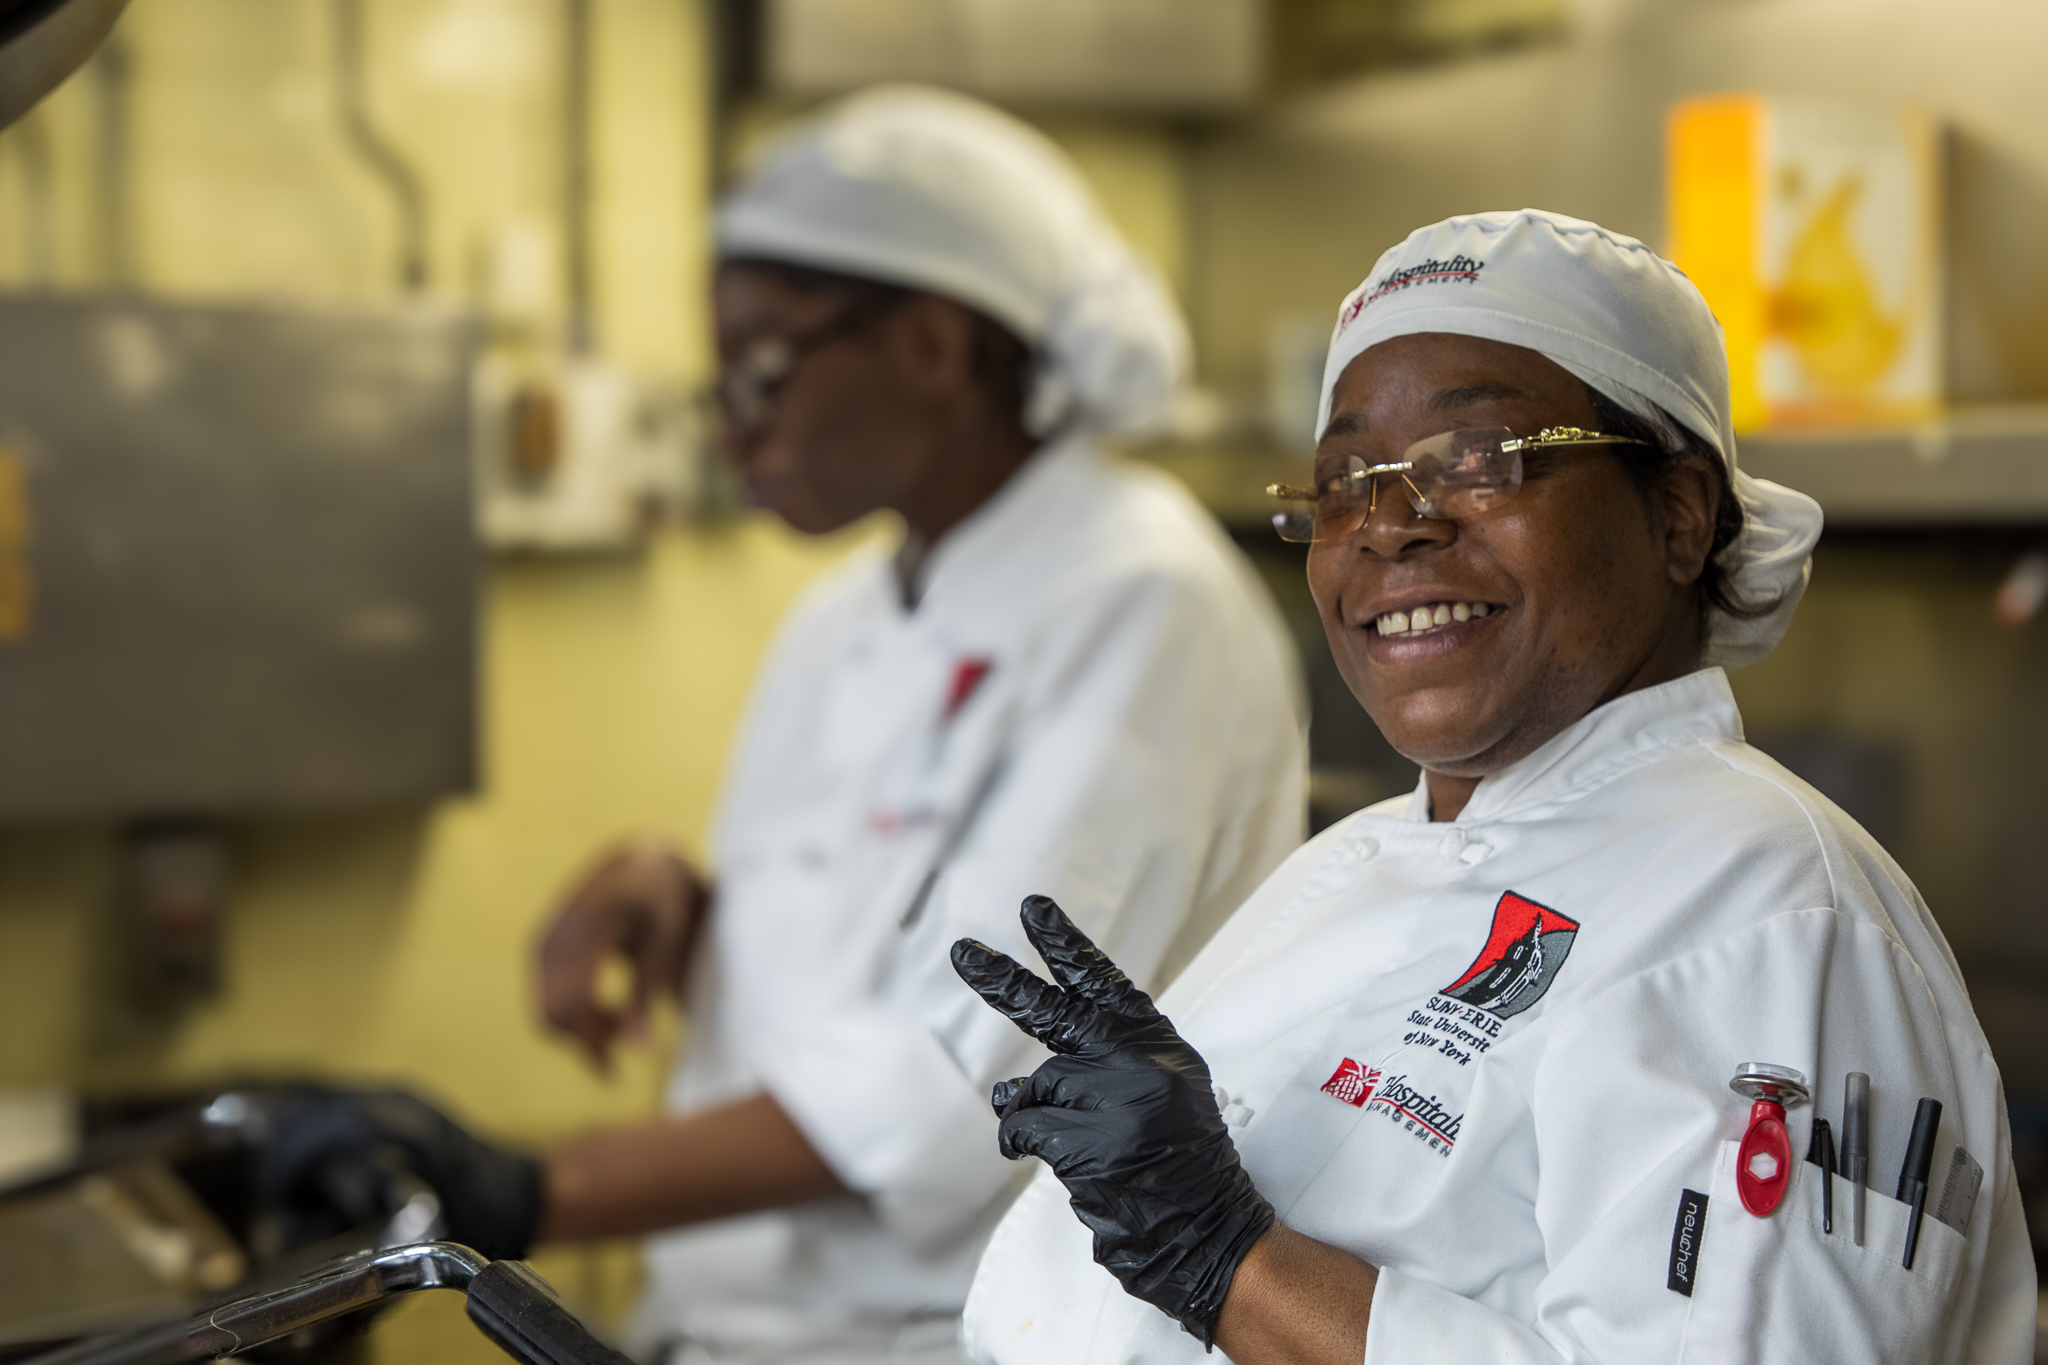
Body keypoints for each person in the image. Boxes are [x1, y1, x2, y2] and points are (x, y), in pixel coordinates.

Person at [256, 86, 1307, 1365]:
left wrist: (523, 1190)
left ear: (930, 344)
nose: (726, 421)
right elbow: (872, 935)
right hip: (726, 1327)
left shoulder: (1141, 603)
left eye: (762, 362)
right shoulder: (846, 610)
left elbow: (960, 1081)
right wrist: (689, 902)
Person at [951, 209, 2038, 1365]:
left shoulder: (1769, 915)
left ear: (1678, 515)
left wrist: (1231, 1264)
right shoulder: (1344, 869)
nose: (1387, 527)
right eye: (1339, 482)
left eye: (1476, 460)